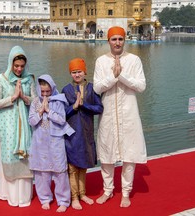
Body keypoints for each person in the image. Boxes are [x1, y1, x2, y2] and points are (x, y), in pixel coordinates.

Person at [93, 26, 147, 208]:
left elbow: (141, 86)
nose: (117, 43)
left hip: (129, 114)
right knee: (107, 156)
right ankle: (108, 190)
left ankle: (125, 192)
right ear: (108, 41)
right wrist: (113, 77)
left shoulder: (134, 60)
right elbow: (97, 88)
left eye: (120, 39)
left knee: (129, 155)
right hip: (107, 114)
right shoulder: (101, 61)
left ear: (125, 40)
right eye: (113, 39)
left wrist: (121, 76)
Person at [0, 45, 36, 207]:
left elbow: (35, 100)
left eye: (22, 66)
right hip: (7, 125)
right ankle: (8, 194)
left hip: (25, 127)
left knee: (25, 156)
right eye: (16, 66)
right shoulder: (1, 79)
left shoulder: (29, 79)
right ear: (10, 63)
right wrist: (12, 97)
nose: (19, 69)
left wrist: (24, 97)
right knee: (9, 155)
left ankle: (23, 197)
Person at [28, 74, 75, 212]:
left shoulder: (59, 100)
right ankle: (45, 198)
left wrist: (48, 111)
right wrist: (40, 111)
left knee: (60, 171)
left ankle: (63, 200)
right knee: (42, 172)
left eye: (47, 91)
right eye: (42, 92)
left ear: (53, 88)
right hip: (40, 141)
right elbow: (31, 121)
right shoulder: (35, 102)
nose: (45, 95)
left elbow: (62, 120)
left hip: (56, 141)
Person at [62, 58, 103, 210]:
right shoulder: (66, 90)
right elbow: (62, 113)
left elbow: (99, 108)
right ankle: (74, 197)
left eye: (79, 71)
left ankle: (83, 193)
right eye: (74, 72)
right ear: (70, 73)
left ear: (85, 71)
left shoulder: (92, 89)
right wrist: (73, 107)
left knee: (83, 166)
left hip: (86, 133)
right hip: (72, 134)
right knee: (72, 167)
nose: (77, 75)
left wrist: (83, 105)